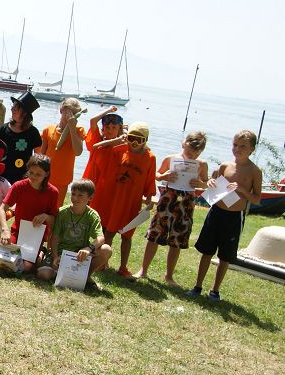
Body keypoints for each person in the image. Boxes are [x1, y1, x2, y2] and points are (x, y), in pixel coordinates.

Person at [186, 130, 262, 302]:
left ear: (252, 149)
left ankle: (215, 290)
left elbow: (257, 199)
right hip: (216, 212)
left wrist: (242, 190)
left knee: (224, 256)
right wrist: (210, 183)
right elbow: (211, 185)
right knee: (206, 251)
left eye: (243, 146)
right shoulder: (224, 166)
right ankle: (197, 286)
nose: (237, 149)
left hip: (234, 217)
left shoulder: (254, 171)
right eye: (235, 144)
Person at [135, 131, 209, 285]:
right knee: (155, 234)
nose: (191, 156)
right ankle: (143, 270)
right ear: (183, 144)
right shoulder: (171, 159)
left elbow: (206, 183)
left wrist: (200, 184)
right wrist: (163, 177)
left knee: (177, 239)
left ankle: (169, 276)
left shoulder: (202, 164)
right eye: (189, 152)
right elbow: (156, 174)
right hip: (168, 198)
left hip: (186, 202)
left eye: (195, 153)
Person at [89, 122, 157, 278]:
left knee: (127, 235)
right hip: (113, 198)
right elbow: (96, 147)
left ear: (146, 140)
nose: (134, 143)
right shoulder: (119, 150)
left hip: (131, 202)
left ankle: (123, 267)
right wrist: (118, 140)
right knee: (109, 232)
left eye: (139, 140)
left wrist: (149, 197)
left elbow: (150, 179)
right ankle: (102, 262)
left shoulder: (150, 157)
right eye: (132, 138)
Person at [37, 179, 112, 289]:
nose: (75, 198)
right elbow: (54, 238)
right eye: (73, 194)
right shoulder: (62, 212)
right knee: (43, 275)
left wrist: (88, 249)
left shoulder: (92, 215)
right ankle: (57, 266)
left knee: (106, 250)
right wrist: (55, 256)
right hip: (61, 253)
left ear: (90, 198)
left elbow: (101, 238)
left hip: (79, 256)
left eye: (81, 195)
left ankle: (85, 276)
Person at [0, 154, 59, 273]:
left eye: (38, 174)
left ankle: (40, 254)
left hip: (36, 236)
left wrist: (45, 216)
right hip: (17, 231)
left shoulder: (53, 192)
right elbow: (1, 209)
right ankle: (37, 256)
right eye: (31, 172)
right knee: (3, 262)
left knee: (25, 268)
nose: (33, 177)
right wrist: (5, 230)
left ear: (46, 174)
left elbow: (54, 220)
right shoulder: (19, 186)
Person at [39, 97, 85, 206]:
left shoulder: (79, 131)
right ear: (61, 110)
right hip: (45, 177)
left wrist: (72, 128)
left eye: (74, 113)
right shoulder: (48, 130)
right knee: (39, 205)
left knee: (54, 209)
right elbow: (41, 155)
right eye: (68, 112)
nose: (70, 116)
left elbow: (78, 152)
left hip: (62, 180)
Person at [0, 91, 41, 186]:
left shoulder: (33, 133)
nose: (12, 109)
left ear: (24, 112)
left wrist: (32, 174)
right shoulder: (3, 129)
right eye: (13, 106)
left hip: (22, 177)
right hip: (1, 176)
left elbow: (38, 157)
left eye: (16, 107)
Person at [82, 108, 124, 183]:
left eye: (114, 127)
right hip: (89, 185)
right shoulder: (97, 140)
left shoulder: (122, 144)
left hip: (107, 186)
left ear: (119, 129)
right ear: (103, 128)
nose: (110, 131)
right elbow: (93, 121)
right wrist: (109, 110)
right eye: (107, 127)